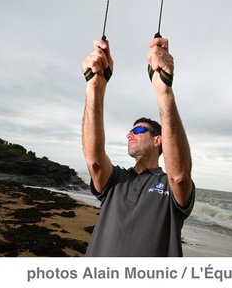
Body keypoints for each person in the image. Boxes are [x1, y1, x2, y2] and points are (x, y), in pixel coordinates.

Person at [79, 37, 195, 256]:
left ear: (158, 140)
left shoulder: (169, 185)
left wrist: (164, 91)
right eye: (130, 131)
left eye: (139, 130)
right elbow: (94, 161)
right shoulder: (115, 179)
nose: (130, 134)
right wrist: (94, 87)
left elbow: (179, 176)